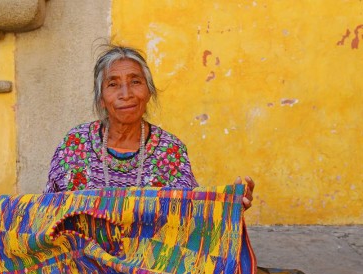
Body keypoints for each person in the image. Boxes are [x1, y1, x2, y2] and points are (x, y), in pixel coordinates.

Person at [45, 44, 254, 208]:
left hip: (149, 261)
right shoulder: (75, 144)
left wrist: (230, 208)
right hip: (84, 259)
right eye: (113, 84)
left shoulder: (170, 151)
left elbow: (190, 213)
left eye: (135, 82)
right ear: (101, 98)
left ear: (149, 92)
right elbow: (47, 211)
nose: (126, 94)